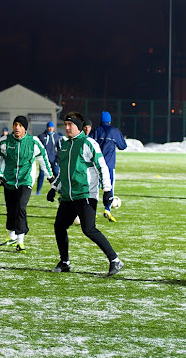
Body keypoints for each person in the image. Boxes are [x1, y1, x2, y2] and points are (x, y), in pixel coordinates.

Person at [47, 111, 124, 276]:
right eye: (65, 125)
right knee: (59, 227)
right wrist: (54, 188)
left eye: (70, 125)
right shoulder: (65, 144)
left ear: (79, 127)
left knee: (89, 229)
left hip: (86, 194)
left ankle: (115, 260)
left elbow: (102, 166)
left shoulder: (89, 143)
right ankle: (65, 262)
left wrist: (107, 190)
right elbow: (63, 171)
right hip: (68, 196)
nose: (67, 128)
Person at [0, 115, 53, 252]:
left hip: (26, 180)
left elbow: (43, 158)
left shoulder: (33, 142)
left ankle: (20, 241)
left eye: (20, 125)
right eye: (15, 124)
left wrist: (50, 177)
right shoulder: (5, 141)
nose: (17, 127)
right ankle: (12, 237)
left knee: (20, 207)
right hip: (9, 180)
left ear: (25, 128)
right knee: (11, 209)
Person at [92, 111, 127, 222]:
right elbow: (123, 146)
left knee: (94, 188)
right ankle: (107, 209)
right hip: (109, 165)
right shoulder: (114, 131)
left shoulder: (96, 131)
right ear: (110, 120)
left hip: (96, 164)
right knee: (109, 186)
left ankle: (92, 212)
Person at [36, 121, 61, 195]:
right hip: (44, 159)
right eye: (49, 127)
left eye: (52, 127)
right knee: (41, 175)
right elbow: (37, 146)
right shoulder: (41, 136)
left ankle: (59, 189)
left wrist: (57, 158)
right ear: (47, 128)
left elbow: (59, 148)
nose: (50, 129)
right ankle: (38, 191)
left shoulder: (56, 136)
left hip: (53, 159)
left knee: (56, 174)